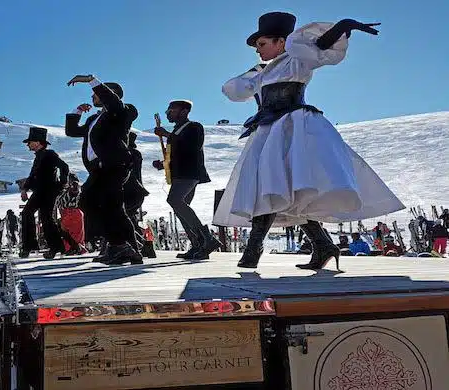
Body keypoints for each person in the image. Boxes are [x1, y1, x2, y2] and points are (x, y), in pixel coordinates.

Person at [212, 12, 404, 270]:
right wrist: (256, 71)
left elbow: (321, 46)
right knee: (282, 189)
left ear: (282, 42)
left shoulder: (296, 59)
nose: (257, 50)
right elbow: (235, 90)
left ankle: (253, 251)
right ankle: (322, 245)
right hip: (268, 130)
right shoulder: (261, 72)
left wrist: (342, 27)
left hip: (292, 127)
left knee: (275, 184)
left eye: (262, 44)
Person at [66, 74, 141, 265]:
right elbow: (72, 131)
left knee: (95, 202)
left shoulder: (123, 112)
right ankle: (126, 248)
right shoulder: (94, 119)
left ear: (110, 94)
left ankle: (121, 246)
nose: (93, 97)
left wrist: (91, 80)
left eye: (96, 94)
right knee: (111, 208)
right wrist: (77, 111)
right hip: (99, 169)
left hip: (114, 166)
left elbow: (114, 104)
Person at [153, 100, 219, 259]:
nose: (168, 112)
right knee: (181, 207)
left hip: (190, 173)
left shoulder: (194, 127)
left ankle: (207, 239)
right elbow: (177, 154)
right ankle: (199, 246)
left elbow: (191, 147)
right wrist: (163, 164)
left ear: (184, 111)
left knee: (175, 201)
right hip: (180, 174)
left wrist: (167, 135)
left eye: (172, 109)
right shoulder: (177, 131)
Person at [19, 127, 69, 259]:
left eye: (30, 142)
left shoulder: (49, 154)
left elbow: (64, 167)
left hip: (48, 192)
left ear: (38, 142)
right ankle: (32, 246)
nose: (28, 145)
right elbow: (32, 176)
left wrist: (62, 185)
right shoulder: (38, 157)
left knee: (46, 218)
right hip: (40, 192)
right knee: (29, 214)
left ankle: (54, 247)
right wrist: (24, 189)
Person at [124, 132, 149, 254]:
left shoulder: (128, 153)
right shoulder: (135, 154)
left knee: (124, 217)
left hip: (129, 191)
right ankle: (144, 246)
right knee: (130, 218)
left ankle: (138, 245)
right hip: (137, 192)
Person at [54, 173, 87, 255]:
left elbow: (74, 191)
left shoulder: (70, 189)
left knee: (67, 231)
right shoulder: (66, 190)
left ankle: (74, 248)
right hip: (75, 212)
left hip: (70, 212)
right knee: (77, 233)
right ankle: (77, 248)